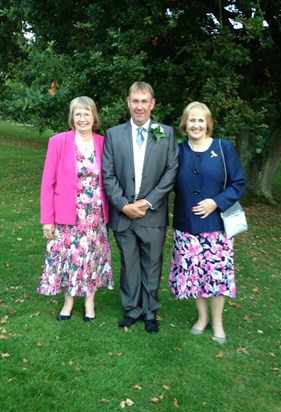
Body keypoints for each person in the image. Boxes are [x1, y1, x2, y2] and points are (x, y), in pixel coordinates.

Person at [103, 81, 179, 333]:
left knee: (152, 263)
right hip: (124, 214)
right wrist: (124, 205)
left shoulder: (166, 133)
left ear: (152, 104)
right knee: (129, 263)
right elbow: (108, 174)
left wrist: (146, 203)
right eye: (135, 101)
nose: (139, 106)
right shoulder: (113, 135)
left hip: (152, 213)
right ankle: (131, 308)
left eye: (144, 101)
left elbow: (171, 172)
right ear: (128, 102)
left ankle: (149, 311)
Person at [169, 101, 245, 344]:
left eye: (201, 120)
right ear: (185, 124)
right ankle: (201, 318)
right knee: (194, 274)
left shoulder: (223, 148)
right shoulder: (178, 151)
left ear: (208, 124)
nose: (196, 124)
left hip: (216, 226)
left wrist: (217, 202)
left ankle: (218, 323)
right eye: (192, 120)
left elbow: (238, 183)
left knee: (217, 276)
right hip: (186, 225)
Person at [38, 96, 113, 322]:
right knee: (68, 258)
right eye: (78, 114)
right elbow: (47, 183)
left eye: (87, 114)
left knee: (91, 257)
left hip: (95, 216)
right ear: (72, 118)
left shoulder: (103, 142)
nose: (82, 119)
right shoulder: (58, 141)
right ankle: (68, 301)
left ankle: (90, 301)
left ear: (94, 117)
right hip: (67, 214)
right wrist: (47, 219)